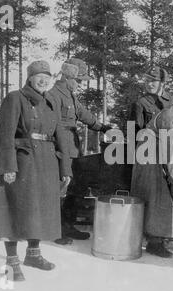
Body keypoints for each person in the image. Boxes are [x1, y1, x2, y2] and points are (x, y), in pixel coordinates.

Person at [0, 60, 72, 281]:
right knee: (15, 210)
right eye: (38, 76)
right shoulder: (15, 98)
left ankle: (33, 255)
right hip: (22, 162)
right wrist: (8, 166)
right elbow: (4, 134)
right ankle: (12, 261)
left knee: (40, 209)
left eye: (47, 76)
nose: (43, 80)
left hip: (47, 163)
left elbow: (61, 137)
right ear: (30, 78)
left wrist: (66, 168)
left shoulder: (51, 101)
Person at [49, 57, 112, 245]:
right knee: (61, 188)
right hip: (60, 148)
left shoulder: (70, 94)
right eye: (79, 80)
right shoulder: (54, 94)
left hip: (73, 147)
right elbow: (53, 126)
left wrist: (102, 127)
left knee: (75, 188)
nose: (80, 84)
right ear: (68, 76)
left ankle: (68, 225)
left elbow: (83, 114)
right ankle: (56, 229)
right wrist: (60, 150)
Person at [130, 66, 173, 257]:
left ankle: (167, 237)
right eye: (147, 80)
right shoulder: (140, 103)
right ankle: (153, 241)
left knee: (168, 196)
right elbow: (134, 132)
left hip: (170, 152)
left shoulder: (172, 101)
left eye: (153, 80)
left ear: (163, 83)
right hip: (149, 154)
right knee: (152, 196)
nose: (149, 83)